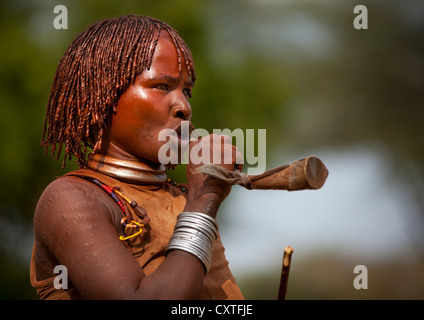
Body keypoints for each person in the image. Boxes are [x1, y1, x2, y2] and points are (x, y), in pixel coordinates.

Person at [30, 15, 245, 300]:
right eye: (162, 86)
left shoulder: (179, 199)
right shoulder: (70, 198)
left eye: (187, 91)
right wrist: (202, 202)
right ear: (103, 95)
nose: (183, 106)